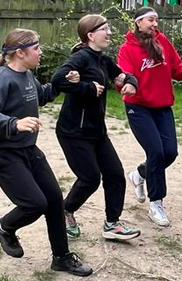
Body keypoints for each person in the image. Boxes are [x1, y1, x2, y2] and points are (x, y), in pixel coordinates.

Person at [0, 28, 93, 277]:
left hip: (27, 148)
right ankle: (4, 227)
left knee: (54, 200)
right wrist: (13, 123)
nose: (40, 52)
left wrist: (64, 83)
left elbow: (41, 95)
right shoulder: (2, 78)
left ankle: (61, 258)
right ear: (20, 52)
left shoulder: (26, 74)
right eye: (36, 48)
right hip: (2, 152)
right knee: (34, 204)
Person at [117, 6, 182, 227]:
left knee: (169, 152)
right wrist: (127, 84)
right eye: (150, 20)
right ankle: (156, 204)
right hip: (138, 107)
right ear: (138, 22)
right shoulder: (127, 48)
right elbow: (123, 74)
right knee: (156, 152)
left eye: (156, 20)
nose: (155, 24)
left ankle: (140, 174)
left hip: (162, 107)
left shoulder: (162, 42)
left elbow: (177, 69)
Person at [52, 14, 141, 242]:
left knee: (115, 175)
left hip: (97, 132)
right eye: (105, 29)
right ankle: (65, 210)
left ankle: (112, 224)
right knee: (90, 178)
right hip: (74, 132)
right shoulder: (80, 58)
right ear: (90, 35)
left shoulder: (103, 60)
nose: (109, 33)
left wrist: (130, 83)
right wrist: (87, 88)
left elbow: (123, 75)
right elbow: (57, 79)